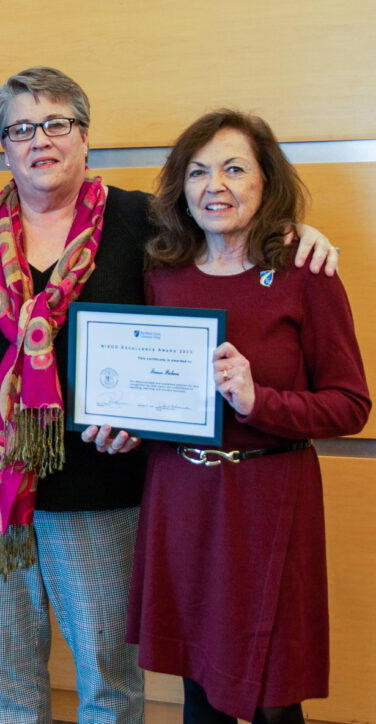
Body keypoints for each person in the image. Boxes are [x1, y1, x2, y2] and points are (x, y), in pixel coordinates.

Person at [0, 68, 339, 724]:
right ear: (4, 146)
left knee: (106, 670)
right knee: (6, 659)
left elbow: (228, 234)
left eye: (57, 123)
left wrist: (297, 234)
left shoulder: (141, 221)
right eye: (20, 128)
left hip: (102, 481)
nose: (40, 139)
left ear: (86, 137)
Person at [124, 110, 370, 724]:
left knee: (274, 698)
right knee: (198, 693)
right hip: (182, 500)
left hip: (270, 504)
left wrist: (261, 402)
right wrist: (126, 423)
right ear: (181, 186)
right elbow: (151, 389)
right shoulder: (163, 274)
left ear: (267, 183)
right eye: (199, 171)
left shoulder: (304, 272)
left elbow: (351, 404)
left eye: (235, 169)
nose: (216, 186)